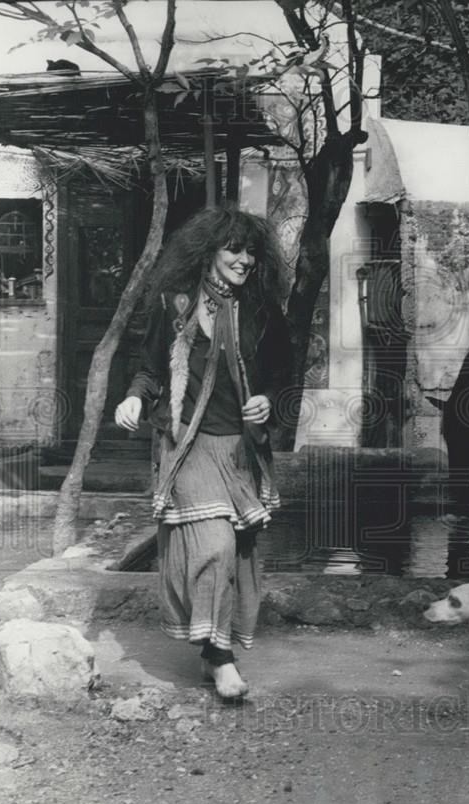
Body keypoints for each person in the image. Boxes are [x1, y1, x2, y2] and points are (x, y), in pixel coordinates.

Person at [114, 205, 290, 699]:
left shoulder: (260, 311)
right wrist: (133, 397)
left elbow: (283, 376)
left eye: (252, 251)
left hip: (240, 452)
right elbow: (150, 369)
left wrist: (268, 401)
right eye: (234, 248)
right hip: (185, 446)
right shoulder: (174, 305)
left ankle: (214, 649)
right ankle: (221, 659)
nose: (245, 259)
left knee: (237, 553)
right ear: (209, 252)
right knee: (214, 545)